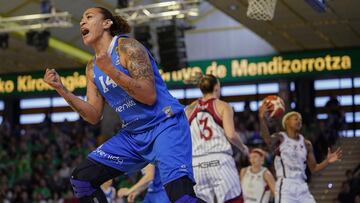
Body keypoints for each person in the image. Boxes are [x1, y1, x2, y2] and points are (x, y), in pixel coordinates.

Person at [43, 6, 204, 203]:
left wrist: (111, 70)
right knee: (82, 179)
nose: (82, 22)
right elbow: (93, 115)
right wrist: (62, 90)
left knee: (182, 199)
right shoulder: (92, 68)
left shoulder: (128, 48)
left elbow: (148, 95)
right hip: (133, 135)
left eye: (89, 17)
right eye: (82, 19)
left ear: (107, 23)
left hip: (165, 125)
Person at [258, 102, 343, 203]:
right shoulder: (280, 138)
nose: (299, 121)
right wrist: (261, 118)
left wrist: (327, 161)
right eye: (296, 119)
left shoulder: (307, 144)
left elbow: (314, 169)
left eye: (300, 120)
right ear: (287, 122)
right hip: (286, 185)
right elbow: (267, 139)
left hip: (302, 185)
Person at [185, 74, 249, 203]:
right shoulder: (223, 106)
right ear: (216, 87)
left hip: (197, 163)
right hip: (220, 161)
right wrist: (243, 148)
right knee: (234, 200)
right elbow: (231, 135)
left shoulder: (190, 109)